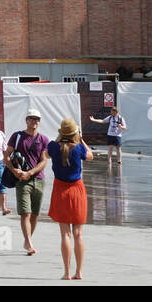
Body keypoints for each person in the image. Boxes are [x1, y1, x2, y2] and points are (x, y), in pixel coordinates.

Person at [48, 118, 89, 280]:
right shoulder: (79, 148)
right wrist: (81, 138)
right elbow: (90, 155)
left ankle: (66, 272)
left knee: (65, 234)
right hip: (77, 190)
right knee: (78, 234)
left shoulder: (53, 146)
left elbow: (46, 153)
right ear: (75, 133)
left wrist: (60, 139)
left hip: (60, 190)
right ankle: (78, 272)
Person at [6, 108, 49, 256]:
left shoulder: (43, 139)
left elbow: (44, 161)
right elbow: (6, 156)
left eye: (37, 119)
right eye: (32, 118)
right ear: (26, 120)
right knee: (26, 213)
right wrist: (14, 170)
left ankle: (27, 239)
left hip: (38, 179)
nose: (35, 122)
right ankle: (29, 243)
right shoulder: (17, 136)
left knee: (35, 214)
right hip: (21, 181)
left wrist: (29, 172)